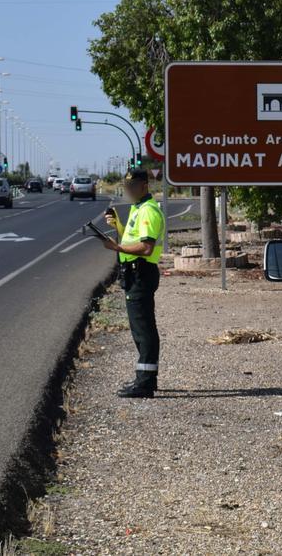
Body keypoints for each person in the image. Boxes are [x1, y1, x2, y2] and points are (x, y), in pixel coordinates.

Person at [102, 170, 165, 398]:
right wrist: (117, 226)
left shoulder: (148, 210)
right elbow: (132, 239)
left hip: (141, 272)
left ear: (145, 186)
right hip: (134, 273)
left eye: (132, 186)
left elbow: (145, 247)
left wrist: (116, 248)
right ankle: (144, 378)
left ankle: (146, 383)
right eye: (126, 186)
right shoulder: (138, 208)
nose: (128, 191)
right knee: (139, 329)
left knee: (144, 329)